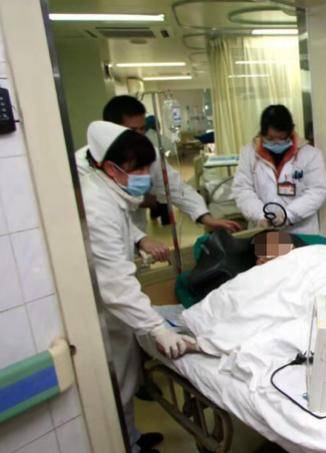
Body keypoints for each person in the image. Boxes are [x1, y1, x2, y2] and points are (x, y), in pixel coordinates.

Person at [80, 121, 198, 453]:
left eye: (148, 167)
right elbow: (115, 283)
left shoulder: (107, 191)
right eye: (138, 169)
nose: (145, 175)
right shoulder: (96, 203)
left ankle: (131, 438)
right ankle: (124, 445)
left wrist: (140, 238)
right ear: (110, 167)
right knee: (115, 384)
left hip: (115, 310)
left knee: (124, 381)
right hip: (104, 311)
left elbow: (120, 227)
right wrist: (157, 328)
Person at [76, 96, 240, 256]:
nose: (139, 136)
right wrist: (140, 236)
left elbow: (175, 188)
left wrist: (205, 217)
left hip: (135, 229)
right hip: (99, 239)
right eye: (132, 130)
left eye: (142, 129)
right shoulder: (80, 166)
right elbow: (102, 214)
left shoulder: (149, 154)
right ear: (113, 128)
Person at [232, 105, 326, 234]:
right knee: (265, 248)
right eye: (270, 139)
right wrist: (260, 215)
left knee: (298, 248)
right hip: (262, 229)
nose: (276, 143)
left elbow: (317, 191)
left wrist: (288, 214)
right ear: (262, 134)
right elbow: (243, 189)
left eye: (282, 138)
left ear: (290, 133)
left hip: (299, 230)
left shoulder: (310, 154)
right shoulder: (249, 154)